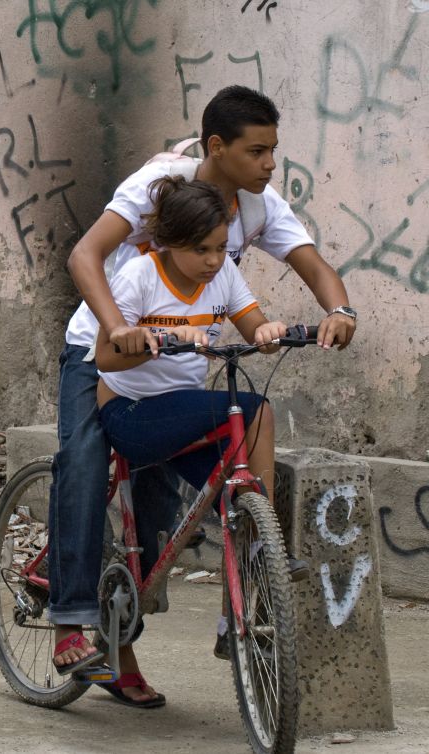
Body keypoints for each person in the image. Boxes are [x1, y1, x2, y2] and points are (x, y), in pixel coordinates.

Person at [48, 85, 356, 706]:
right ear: (218, 148)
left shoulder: (257, 208)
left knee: (157, 520)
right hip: (105, 351)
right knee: (82, 467)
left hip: (175, 375)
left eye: (274, 150)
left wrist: (339, 310)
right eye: (258, 151)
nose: (271, 165)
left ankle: (223, 589)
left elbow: (313, 267)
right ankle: (69, 620)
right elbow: (86, 255)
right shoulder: (160, 185)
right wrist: (117, 329)